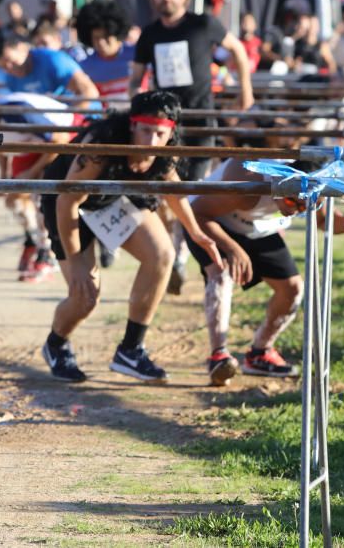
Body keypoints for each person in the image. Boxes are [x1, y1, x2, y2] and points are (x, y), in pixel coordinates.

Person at [39, 91, 223, 383]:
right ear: (133, 125)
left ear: (170, 133)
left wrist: (196, 232)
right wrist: (75, 263)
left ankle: (131, 349)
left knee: (162, 255)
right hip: (69, 204)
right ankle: (56, 344)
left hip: (114, 198)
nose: (151, 141)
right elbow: (67, 201)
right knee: (85, 295)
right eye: (146, 130)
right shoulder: (104, 142)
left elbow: (173, 188)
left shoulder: (165, 150)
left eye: (159, 133)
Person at [186, 158, 344, 385]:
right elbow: (196, 213)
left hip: (258, 229)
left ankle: (260, 353)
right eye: (291, 202)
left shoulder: (307, 187)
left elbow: (322, 221)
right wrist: (232, 248)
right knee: (221, 274)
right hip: (210, 222)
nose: (295, 211)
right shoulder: (249, 186)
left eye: (305, 207)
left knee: (293, 289)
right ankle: (219, 356)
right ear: (279, 185)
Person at [128, 0, 254, 296]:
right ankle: (177, 252)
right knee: (167, 193)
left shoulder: (203, 24)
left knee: (191, 191)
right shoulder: (150, 33)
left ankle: (186, 257)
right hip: (164, 127)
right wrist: (134, 110)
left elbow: (238, 50)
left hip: (201, 122)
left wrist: (245, 90)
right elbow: (136, 78)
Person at [0, 91, 78, 282]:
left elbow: (58, 141)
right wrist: (4, 175)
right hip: (32, 143)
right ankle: (32, 239)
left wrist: (32, 173)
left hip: (60, 138)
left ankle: (47, 252)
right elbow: (0, 146)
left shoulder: (17, 115)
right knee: (14, 200)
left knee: (42, 197)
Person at [75, 0, 136, 100]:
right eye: (96, 38)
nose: (101, 43)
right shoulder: (84, 67)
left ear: (118, 35)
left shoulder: (137, 55)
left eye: (106, 37)